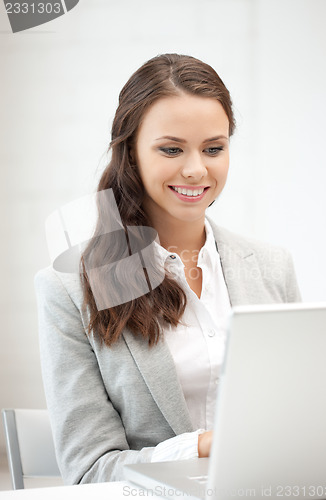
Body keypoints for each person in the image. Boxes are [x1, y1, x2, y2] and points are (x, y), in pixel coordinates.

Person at [35, 53, 301, 485]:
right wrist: (200, 447)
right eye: (172, 149)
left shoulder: (273, 268)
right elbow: (89, 471)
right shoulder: (67, 290)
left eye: (214, 148)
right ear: (130, 154)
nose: (197, 169)